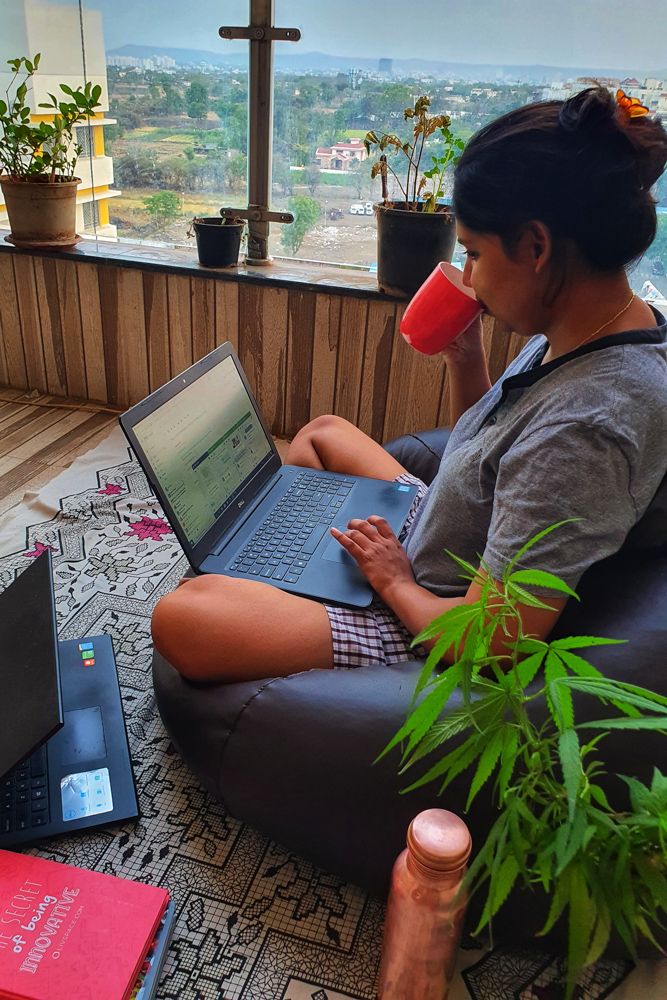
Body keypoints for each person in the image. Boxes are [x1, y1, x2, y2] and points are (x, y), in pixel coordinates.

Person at [151, 86, 667, 683]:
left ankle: (303, 588)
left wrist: (393, 582)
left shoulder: (590, 428)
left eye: (472, 253)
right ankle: (289, 564)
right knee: (321, 435)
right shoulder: (598, 328)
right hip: (439, 535)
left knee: (182, 615)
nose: (466, 275)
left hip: (422, 614)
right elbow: (495, 451)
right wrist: (466, 361)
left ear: (535, 246)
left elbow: (490, 640)